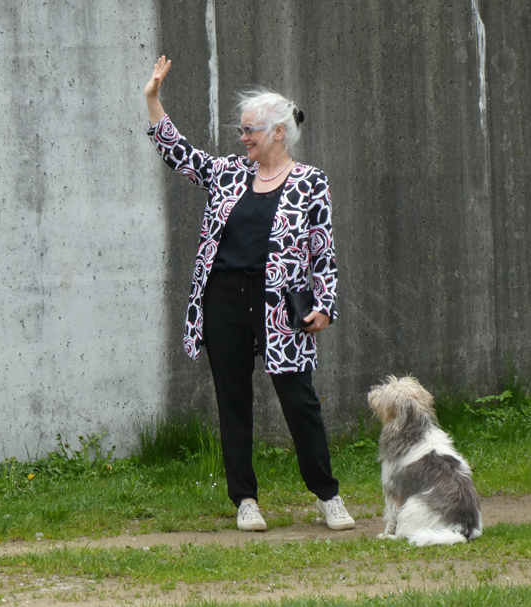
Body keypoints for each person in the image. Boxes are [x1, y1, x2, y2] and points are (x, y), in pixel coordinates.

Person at [144, 56, 355, 532]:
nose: (243, 137)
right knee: (233, 400)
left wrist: (325, 304)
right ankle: (245, 500)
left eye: (250, 130)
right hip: (224, 298)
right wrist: (153, 100)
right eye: (241, 130)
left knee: (299, 399)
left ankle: (327, 494)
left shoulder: (311, 181)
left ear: (278, 132)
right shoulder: (228, 172)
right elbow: (180, 154)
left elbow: (322, 249)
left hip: (280, 303)